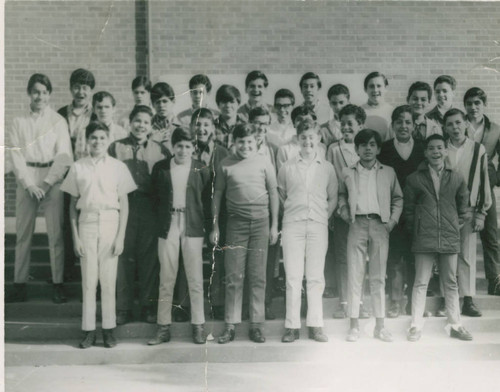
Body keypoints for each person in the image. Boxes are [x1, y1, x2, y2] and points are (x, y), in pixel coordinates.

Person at [60, 121, 136, 349]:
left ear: (108, 139)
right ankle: (89, 331)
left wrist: (121, 236)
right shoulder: (78, 167)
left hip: (111, 223)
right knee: (89, 282)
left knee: (108, 280)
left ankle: (109, 330)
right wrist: (75, 238)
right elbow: (72, 206)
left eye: (102, 138)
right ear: (87, 140)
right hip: (87, 224)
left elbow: (125, 203)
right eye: (94, 137)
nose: (98, 142)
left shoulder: (118, 167)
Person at [6, 73, 73, 304]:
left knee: (55, 234)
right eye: (36, 91)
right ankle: (19, 284)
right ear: (29, 93)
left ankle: (57, 284)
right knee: (23, 234)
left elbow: (64, 157)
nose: (40, 96)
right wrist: (29, 184)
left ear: (49, 94)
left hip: (51, 179)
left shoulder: (57, 121)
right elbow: (15, 155)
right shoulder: (18, 121)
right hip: (27, 178)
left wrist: (45, 184)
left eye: (44, 92)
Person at [211, 123, 279, 344]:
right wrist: (215, 226)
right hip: (235, 225)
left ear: (256, 142)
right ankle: (230, 325)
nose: (245, 145)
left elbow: (274, 195)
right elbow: (217, 196)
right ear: (234, 142)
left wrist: (274, 225)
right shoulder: (225, 164)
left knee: (258, 276)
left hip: (261, 223)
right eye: (241, 141)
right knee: (234, 276)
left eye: (249, 141)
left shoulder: (264, 163)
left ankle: (256, 326)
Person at [404, 134, 473, 342]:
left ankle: (455, 324)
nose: (436, 152)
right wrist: (417, 228)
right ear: (425, 153)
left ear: (445, 151)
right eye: (431, 148)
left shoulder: (457, 177)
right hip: (424, 237)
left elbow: (464, 208)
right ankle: (415, 325)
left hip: (449, 237)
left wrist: (453, 225)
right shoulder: (414, 179)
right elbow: (408, 211)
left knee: (451, 282)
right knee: (420, 282)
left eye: (440, 148)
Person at [338, 129, 403, 342]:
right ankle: (354, 326)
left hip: (379, 225)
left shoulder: (388, 172)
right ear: (356, 149)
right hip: (356, 224)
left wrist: (391, 221)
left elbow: (398, 198)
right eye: (363, 145)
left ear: (378, 148)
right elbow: (340, 195)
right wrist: (346, 214)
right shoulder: (347, 172)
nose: (368, 149)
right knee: (355, 274)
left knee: (377, 277)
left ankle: (380, 326)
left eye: (372, 144)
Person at [148, 127, 211, 345]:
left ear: (194, 148)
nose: (183, 150)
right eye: (179, 146)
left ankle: (198, 326)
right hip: (168, 224)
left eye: (187, 146)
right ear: (172, 147)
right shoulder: (161, 168)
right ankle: (163, 328)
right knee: (166, 278)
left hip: (192, 225)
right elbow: (153, 199)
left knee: (195, 278)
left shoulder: (201, 169)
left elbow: (207, 202)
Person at [109, 105, 170, 325]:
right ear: (130, 122)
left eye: (145, 122)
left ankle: (147, 306)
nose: (140, 125)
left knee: (148, 259)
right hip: (124, 205)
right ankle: (123, 308)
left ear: (150, 125)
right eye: (137, 120)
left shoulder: (160, 149)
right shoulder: (115, 148)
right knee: (123, 257)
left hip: (149, 207)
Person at [278, 118, 338, 343]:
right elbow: (282, 194)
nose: (307, 141)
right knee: (293, 276)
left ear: (319, 138)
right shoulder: (287, 166)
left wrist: (322, 217)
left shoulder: (327, 168)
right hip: (292, 224)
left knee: (315, 277)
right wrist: (294, 214)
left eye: (311, 137)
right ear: (297, 139)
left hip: (317, 225)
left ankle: (315, 324)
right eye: (303, 137)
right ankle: (292, 326)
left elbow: (332, 198)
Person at [378, 105, 426, 317]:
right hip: (393, 212)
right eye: (399, 122)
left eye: (408, 122)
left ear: (414, 125)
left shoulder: (424, 148)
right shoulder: (385, 149)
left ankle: (414, 303)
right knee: (395, 258)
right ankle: (396, 302)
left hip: (418, 212)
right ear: (393, 125)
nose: (404, 126)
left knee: (416, 257)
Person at [443, 108, 491, 317]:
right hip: (444, 210)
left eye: (458, 123)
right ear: (445, 127)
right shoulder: (441, 149)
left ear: (465, 124)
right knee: (445, 254)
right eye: (450, 124)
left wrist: (481, 212)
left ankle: (468, 299)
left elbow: (483, 183)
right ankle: (448, 299)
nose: (455, 127)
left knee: (466, 255)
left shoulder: (478, 149)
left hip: (468, 210)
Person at [326, 104, 370, 318]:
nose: (345, 127)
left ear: (361, 125)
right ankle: (345, 302)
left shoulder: (368, 146)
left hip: (364, 211)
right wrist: (337, 208)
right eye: (342, 123)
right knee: (343, 257)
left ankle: (359, 301)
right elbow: (330, 179)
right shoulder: (334, 149)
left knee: (360, 258)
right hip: (342, 210)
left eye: (350, 123)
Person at [191, 108, 230, 321]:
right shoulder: (187, 151)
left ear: (213, 128)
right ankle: (188, 305)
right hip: (193, 211)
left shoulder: (222, 153)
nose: (202, 129)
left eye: (206, 125)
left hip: (217, 212)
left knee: (217, 257)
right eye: (198, 125)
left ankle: (217, 303)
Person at [57, 68, 96, 282]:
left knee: (87, 221)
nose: (81, 92)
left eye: (85, 88)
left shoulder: (96, 114)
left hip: (88, 175)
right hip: (65, 174)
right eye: (77, 87)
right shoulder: (60, 113)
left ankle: (88, 274)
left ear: (91, 91)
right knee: (66, 222)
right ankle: (66, 274)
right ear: (71, 89)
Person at [464, 87, 500, 296]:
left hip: (485, 185)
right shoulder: (459, 125)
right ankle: (459, 281)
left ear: (484, 104)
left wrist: (494, 178)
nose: (473, 107)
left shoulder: (495, 129)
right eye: (469, 103)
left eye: (477, 103)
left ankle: (494, 280)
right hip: (463, 185)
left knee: (491, 235)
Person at [361, 72, 393, 142]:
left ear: (385, 88)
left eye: (379, 86)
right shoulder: (359, 111)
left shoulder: (392, 111)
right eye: (371, 86)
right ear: (365, 89)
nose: (375, 90)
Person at [150, 82, 181, 154]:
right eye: (157, 102)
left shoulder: (181, 127)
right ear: (152, 104)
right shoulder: (147, 126)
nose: (161, 105)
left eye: (165, 101)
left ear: (173, 101)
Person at [214, 84, 246, 149]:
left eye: (232, 102)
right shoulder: (212, 126)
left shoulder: (245, 126)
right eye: (224, 102)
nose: (228, 105)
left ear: (238, 104)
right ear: (218, 104)